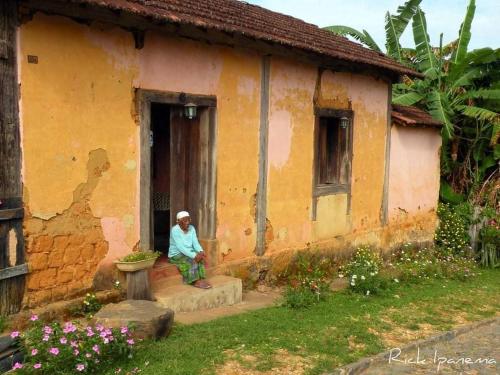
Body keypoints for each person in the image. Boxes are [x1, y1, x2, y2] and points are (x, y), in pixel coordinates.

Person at [168, 211, 211, 289]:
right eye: (185, 220)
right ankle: (194, 281)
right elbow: (180, 247)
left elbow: (195, 242)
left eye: (188, 220)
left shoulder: (192, 228)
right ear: (178, 221)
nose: (187, 222)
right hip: (176, 254)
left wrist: (200, 251)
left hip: (189, 251)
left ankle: (201, 279)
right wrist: (194, 255)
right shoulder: (175, 230)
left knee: (200, 259)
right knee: (192, 260)